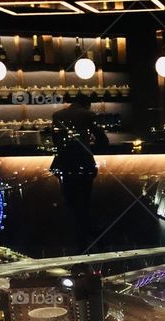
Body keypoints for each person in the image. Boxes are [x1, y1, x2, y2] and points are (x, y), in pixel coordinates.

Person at [51, 96, 109, 247]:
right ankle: (92, 235)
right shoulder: (88, 114)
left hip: (64, 164)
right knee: (84, 201)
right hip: (83, 163)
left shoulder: (57, 115)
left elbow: (55, 140)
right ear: (87, 105)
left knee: (72, 201)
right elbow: (102, 140)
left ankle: (83, 237)